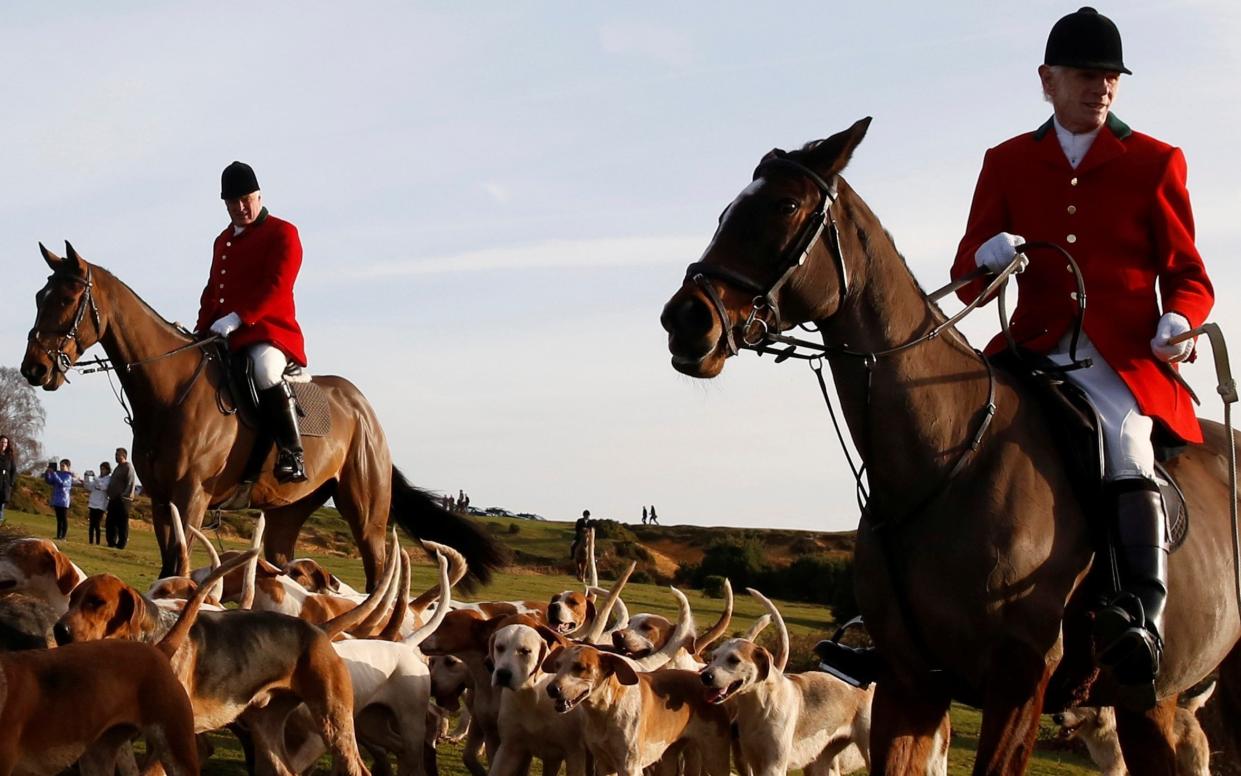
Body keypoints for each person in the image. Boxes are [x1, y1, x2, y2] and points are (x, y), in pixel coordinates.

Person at [951, 8, 1214, 696]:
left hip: (1122, 356)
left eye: (1108, 77)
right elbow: (966, 283)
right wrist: (985, 256)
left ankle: (1142, 613)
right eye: (1084, 75)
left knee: (1125, 444)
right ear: (1047, 80)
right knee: (945, 429)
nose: (1100, 87)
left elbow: (1188, 273)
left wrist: (1177, 318)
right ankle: (891, 611)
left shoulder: (1156, 161)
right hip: (1029, 346)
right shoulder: (1005, 160)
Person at [196, 161, 308, 483]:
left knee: (265, 370)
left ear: (258, 196)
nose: (241, 207)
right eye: (233, 202)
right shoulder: (222, 241)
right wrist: (200, 330)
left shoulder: (283, 233)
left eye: (246, 199)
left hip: (269, 331)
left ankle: (292, 452)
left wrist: (239, 317)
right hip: (225, 333)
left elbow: (278, 286)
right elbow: (213, 291)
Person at [106, 448, 137, 549]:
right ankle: (111, 541)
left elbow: (130, 482)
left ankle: (121, 543)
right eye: (115, 455)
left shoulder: (128, 467)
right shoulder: (117, 468)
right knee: (111, 521)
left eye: (118, 455)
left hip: (123, 500)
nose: (116, 457)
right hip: (113, 499)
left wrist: (125, 495)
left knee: (122, 523)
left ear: (123, 456)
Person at [43, 459, 74, 540]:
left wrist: (54, 474)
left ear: (68, 467)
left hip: (64, 500)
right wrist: (48, 473)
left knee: (63, 518)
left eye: (63, 466)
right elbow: (50, 481)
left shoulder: (68, 476)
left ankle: (63, 536)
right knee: (58, 519)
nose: (61, 467)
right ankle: (58, 535)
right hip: (57, 499)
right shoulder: (58, 474)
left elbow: (62, 483)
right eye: (60, 466)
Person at [87, 461, 112, 545]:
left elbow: (103, 487)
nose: (102, 471)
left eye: (103, 469)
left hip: (101, 504)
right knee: (91, 525)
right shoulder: (98, 478)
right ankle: (90, 542)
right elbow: (90, 487)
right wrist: (87, 478)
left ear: (107, 470)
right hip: (93, 503)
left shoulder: (108, 478)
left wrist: (95, 479)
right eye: (101, 469)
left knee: (97, 525)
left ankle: (97, 542)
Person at [0, 435, 16, 526]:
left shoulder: (10, 457)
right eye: (2, 442)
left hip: (4, 486)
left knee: (1, 508)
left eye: (5, 442)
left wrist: (11, 483)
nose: (3, 444)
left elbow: (14, 471)